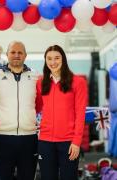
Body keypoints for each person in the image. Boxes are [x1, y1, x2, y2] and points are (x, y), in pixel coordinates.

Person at [0, 41, 41, 180]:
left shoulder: (35, 76)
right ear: (7, 54)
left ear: (25, 55)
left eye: (20, 52)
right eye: (13, 52)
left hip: (29, 138)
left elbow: (40, 104)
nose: (16, 55)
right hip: (2, 138)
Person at [36, 45, 87, 180]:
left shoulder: (78, 82)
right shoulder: (41, 82)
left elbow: (80, 113)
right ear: (45, 61)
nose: (53, 62)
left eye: (57, 58)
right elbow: (35, 107)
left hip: (68, 142)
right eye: (49, 58)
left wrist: (76, 141)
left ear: (63, 59)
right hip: (45, 141)